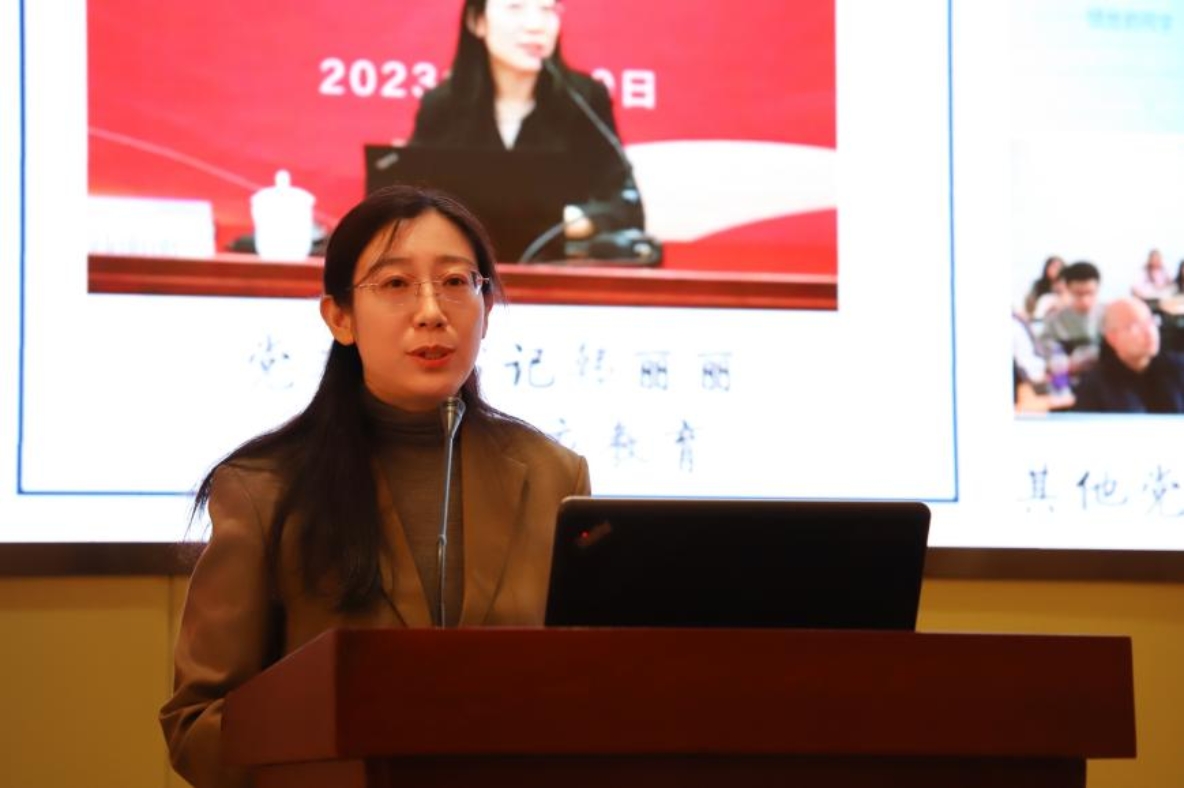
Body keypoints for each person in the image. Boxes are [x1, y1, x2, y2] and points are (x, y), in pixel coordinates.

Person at [160, 185, 591, 788]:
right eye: (395, 283)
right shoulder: (265, 488)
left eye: (456, 282)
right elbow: (198, 726)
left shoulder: (553, 475)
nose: (431, 310)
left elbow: (589, 688)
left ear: (487, 310)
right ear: (339, 317)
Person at [409, 0, 645, 252]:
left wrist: (568, 222)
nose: (536, 26)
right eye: (515, 7)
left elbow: (625, 206)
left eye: (546, 10)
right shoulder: (442, 107)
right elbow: (410, 206)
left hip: (554, 268)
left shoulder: (584, 100)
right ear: (477, 22)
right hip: (463, 268)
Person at [1074, 296, 1184, 413]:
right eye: (1135, 326)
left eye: (1151, 322)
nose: (1149, 332)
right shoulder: (1093, 387)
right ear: (1112, 338)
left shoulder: (1178, 369)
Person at [1039, 260, 1104, 382]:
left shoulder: (1110, 315)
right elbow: (1044, 349)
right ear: (1068, 289)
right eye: (1078, 294)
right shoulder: (1054, 319)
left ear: (1098, 289)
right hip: (1066, 379)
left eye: (1090, 293)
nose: (1085, 300)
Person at [1023, 255, 1064, 319]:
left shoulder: (1065, 285)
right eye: (1054, 267)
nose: (1057, 270)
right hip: (1039, 315)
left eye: (1060, 267)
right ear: (1047, 268)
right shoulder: (1039, 284)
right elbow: (1031, 302)